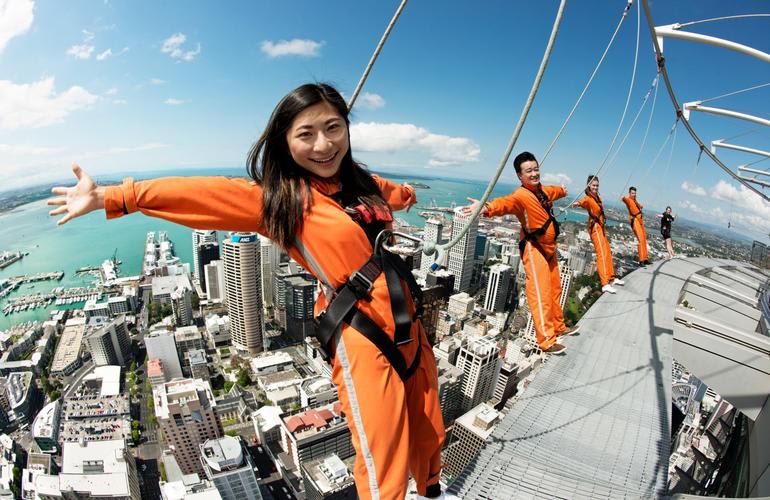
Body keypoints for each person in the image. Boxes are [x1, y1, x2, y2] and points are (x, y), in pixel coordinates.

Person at [48, 83, 445, 500]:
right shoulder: (282, 200)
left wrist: (412, 195)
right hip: (362, 336)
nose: (324, 144)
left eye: (334, 128)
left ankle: (435, 491)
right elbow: (201, 194)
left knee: (428, 425)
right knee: (382, 453)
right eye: (305, 134)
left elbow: (394, 195)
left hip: (409, 326)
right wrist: (115, 196)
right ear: (284, 143)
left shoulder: (363, 183)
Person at [462, 151, 578, 356]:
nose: (534, 173)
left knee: (555, 289)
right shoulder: (521, 196)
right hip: (534, 248)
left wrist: (562, 190)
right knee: (540, 292)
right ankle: (547, 341)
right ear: (520, 176)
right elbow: (505, 203)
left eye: (535, 169)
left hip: (550, 248)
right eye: (528, 171)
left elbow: (553, 191)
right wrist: (485, 207)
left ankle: (559, 327)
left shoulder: (542, 191)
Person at [572, 175, 624, 294]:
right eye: (593, 185)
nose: (595, 187)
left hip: (601, 227)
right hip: (595, 227)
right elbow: (583, 202)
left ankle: (612, 277)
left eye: (597, 185)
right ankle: (605, 283)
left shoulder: (598, 198)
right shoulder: (589, 198)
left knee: (607, 251)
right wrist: (577, 204)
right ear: (589, 185)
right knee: (601, 253)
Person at [621, 186, 649, 266]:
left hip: (640, 219)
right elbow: (625, 200)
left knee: (643, 237)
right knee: (640, 238)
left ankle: (645, 259)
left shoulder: (634, 200)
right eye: (632, 193)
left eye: (635, 193)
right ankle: (641, 260)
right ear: (630, 193)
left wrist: (640, 205)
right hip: (635, 220)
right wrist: (623, 198)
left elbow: (640, 206)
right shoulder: (629, 200)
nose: (634, 194)